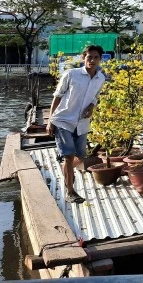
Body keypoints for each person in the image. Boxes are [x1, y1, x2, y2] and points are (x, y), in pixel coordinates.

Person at [46, 45, 106, 203]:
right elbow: (57, 96)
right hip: (63, 120)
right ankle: (70, 191)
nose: (92, 60)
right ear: (83, 58)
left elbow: (95, 96)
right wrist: (50, 121)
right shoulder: (71, 75)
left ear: (100, 59)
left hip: (82, 123)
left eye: (95, 57)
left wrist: (92, 107)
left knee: (80, 156)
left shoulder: (101, 78)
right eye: (89, 57)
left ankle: (66, 170)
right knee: (69, 155)